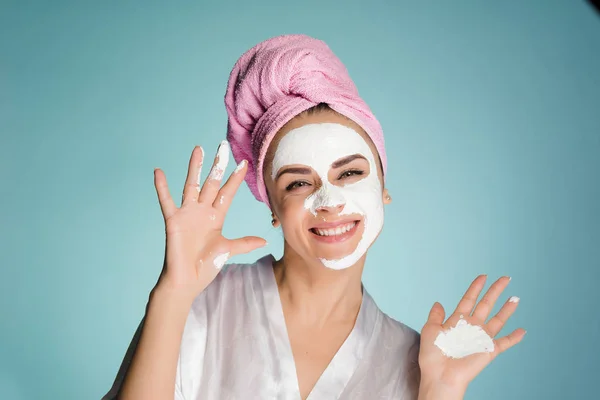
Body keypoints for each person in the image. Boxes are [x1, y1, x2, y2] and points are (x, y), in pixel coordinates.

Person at [103, 34, 525, 400]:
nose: (330, 201)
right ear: (272, 208)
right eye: (298, 183)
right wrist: (172, 295)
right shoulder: (199, 302)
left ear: (384, 189)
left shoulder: (418, 359)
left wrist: (442, 392)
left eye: (351, 173)